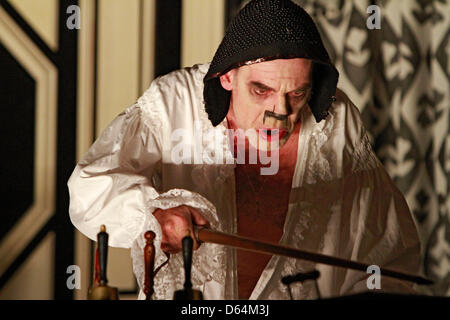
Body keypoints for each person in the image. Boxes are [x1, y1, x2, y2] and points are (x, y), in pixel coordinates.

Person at [68, 0, 421, 300]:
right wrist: (154, 214)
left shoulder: (337, 121)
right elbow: (89, 189)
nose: (280, 111)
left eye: (296, 93)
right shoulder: (173, 102)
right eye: (261, 90)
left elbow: (390, 255)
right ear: (227, 77)